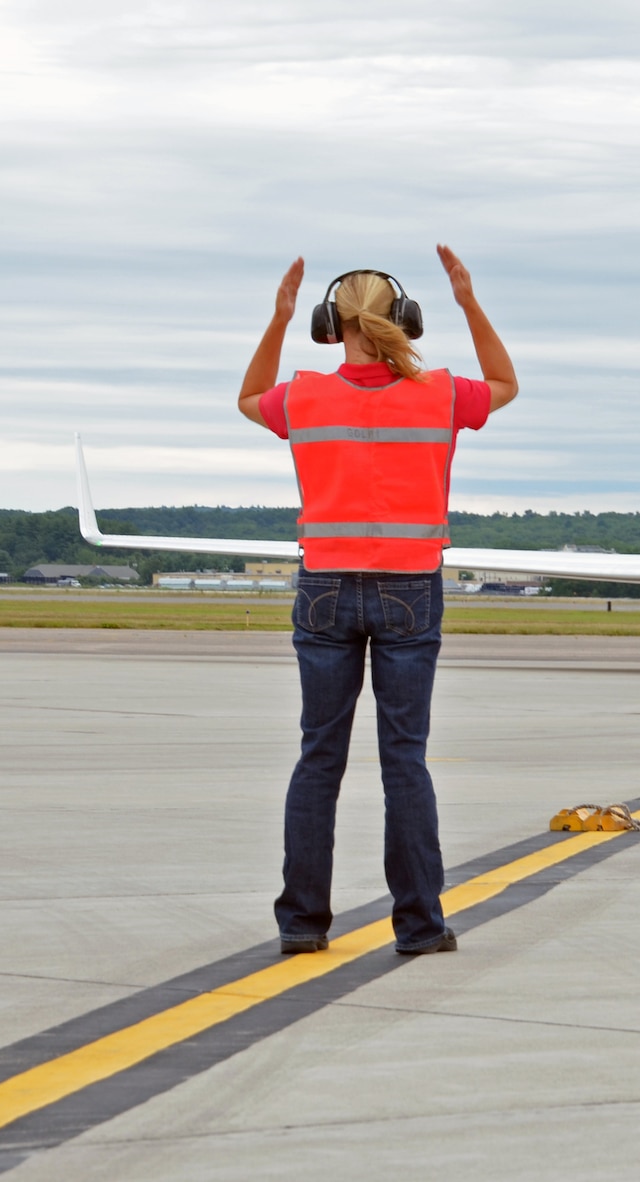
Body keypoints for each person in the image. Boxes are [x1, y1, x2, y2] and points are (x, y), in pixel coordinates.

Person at [237, 247, 518, 955]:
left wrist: (275, 320)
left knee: (318, 761)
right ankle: (420, 926)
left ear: (331, 325)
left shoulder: (301, 396)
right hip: (409, 590)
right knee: (405, 762)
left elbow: (247, 400)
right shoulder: (442, 394)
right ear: (408, 322)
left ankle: (302, 925)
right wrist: (470, 301)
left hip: (325, 587)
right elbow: (505, 382)